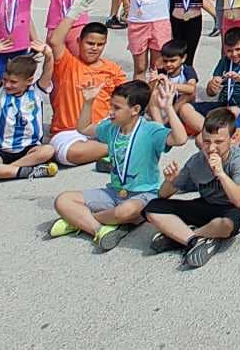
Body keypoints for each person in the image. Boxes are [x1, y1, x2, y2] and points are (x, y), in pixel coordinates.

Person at [50, 76, 185, 250]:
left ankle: (78, 221)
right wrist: (88, 102)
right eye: (111, 106)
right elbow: (83, 128)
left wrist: (168, 108)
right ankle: (99, 230)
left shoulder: (151, 130)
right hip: (114, 192)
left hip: (143, 195)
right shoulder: (111, 127)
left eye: (117, 108)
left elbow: (180, 139)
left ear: (135, 110)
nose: (110, 112)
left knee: (125, 212)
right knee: (63, 200)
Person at [144, 106, 240, 268]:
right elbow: (163, 195)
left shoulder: (238, 159)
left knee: (227, 224)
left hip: (233, 211)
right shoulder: (196, 161)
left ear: (232, 138)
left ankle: (182, 237)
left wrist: (221, 174)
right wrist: (170, 181)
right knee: (152, 208)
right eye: (207, 141)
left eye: (219, 142)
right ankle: (196, 239)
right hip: (207, 206)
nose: (211, 148)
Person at [46, 0, 127, 169]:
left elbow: (125, 103)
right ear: (78, 42)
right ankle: (119, 150)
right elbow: (54, 40)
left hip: (101, 130)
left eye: (100, 44)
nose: (94, 48)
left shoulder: (113, 69)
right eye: (90, 43)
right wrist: (74, 13)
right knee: (72, 153)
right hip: (68, 133)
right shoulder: (67, 63)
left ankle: (114, 150)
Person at [0, 48, 58, 182]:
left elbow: (47, 72)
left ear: (29, 80)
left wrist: (49, 55)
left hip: (28, 149)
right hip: (0, 150)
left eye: (13, 82)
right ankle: (26, 171)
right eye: (5, 80)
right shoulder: (0, 93)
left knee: (48, 150)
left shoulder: (36, 92)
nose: (7, 85)